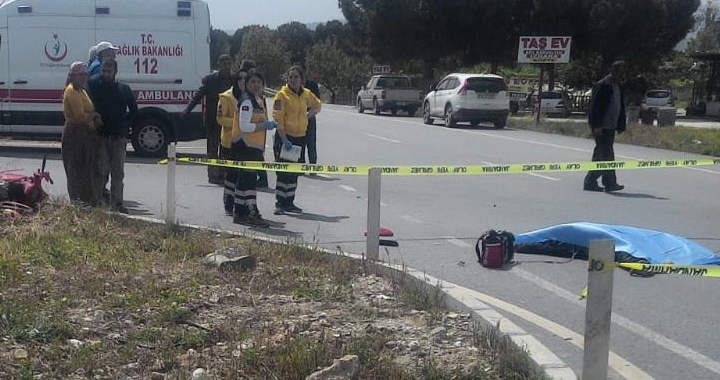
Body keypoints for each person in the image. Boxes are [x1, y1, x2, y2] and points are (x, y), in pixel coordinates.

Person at [87, 58, 138, 213]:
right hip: (101, 136)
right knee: (100, 172)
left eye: (109, 71)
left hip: (119, 138)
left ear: (115, 72)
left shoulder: (124, 89)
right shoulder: (94, 85)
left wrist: (125, 125)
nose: (105, 74)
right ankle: (96, 203)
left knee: (118, 173)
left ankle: (117, 204)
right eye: (103, 71)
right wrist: (95, 118)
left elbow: (134, 111)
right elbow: (87, 105)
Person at [272, 66, 321, 214]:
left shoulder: (306, 94)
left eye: (296, 77)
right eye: (291, 77)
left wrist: (308, 115)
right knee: (284, 173)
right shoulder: (281, 95)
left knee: (294, 172)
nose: (293, 80)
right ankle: (280, 203)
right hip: (286, 137)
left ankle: (289, 202)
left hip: (300, 138)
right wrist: (284, 139)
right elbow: (278, 118)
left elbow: (317, 105)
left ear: (301, 79)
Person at [233, 70, 277, 226]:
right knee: (250, 181)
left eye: (259, 81)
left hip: (252, 146)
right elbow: (244, 126)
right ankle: (252, 213)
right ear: (247, 84)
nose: (256, 84)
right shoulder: (247, 101)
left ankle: (239, 212)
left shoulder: (257, 99)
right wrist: (263, 125)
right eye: (252, 82)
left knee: (244, 180)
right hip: (246, 145)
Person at [182, 54, 234, 184]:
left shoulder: (235, 80)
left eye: (228, 63)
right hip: (213, 120)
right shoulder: (210, 80)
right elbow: (198, 96)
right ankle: (212, 174)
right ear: (219, 65)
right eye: (224, 64)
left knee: (225, 149)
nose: (226, 66)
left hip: (229, 121)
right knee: (212, 149)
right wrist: (187, 110)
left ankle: (222, 173)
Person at [62, 61, 102, 205]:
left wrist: (93, 116)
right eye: (80, 74)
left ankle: (88, 202)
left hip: (86, 134)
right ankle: (77, 202)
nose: (83, 77)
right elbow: (80, 117)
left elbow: (88, 111)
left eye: (85, 74)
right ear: (72, 75)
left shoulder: (82, 90)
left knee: (86, 169)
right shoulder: (71, 91)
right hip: (74, 133)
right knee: (75, 169)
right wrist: (94, 115)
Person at [584, 61, 626, 193]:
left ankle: (600, 183)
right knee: (606, 155)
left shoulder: (617, 86)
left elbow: (620, 106)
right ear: (613, 71)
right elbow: (595, 108)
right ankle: (601, 182)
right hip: (601, 126)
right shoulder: (603, 85)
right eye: (619, 72)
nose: (621, 75)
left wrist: (620, 125)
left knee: (602, 155)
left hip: (611, 126)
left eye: (623, 72)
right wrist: (596, 125)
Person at [217, 69, 249, 216]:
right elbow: (220, 119)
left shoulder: (251, 97)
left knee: (243, 177)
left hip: (246, 143)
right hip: (229, 142)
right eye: (240, 78)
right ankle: (228, 205)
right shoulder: (226, 97)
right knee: (231, 176)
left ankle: (240, 206)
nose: (243, 81)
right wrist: (238, 122)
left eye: (245, 78)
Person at [300, 74, 321, 166]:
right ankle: (300, 164)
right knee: (299, 141)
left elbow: (318, 102)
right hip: (296, 118)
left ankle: (313, 165)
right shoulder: (292, 86)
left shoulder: (312, 85)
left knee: (311, 142)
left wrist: (309, 114)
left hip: (310, 116)